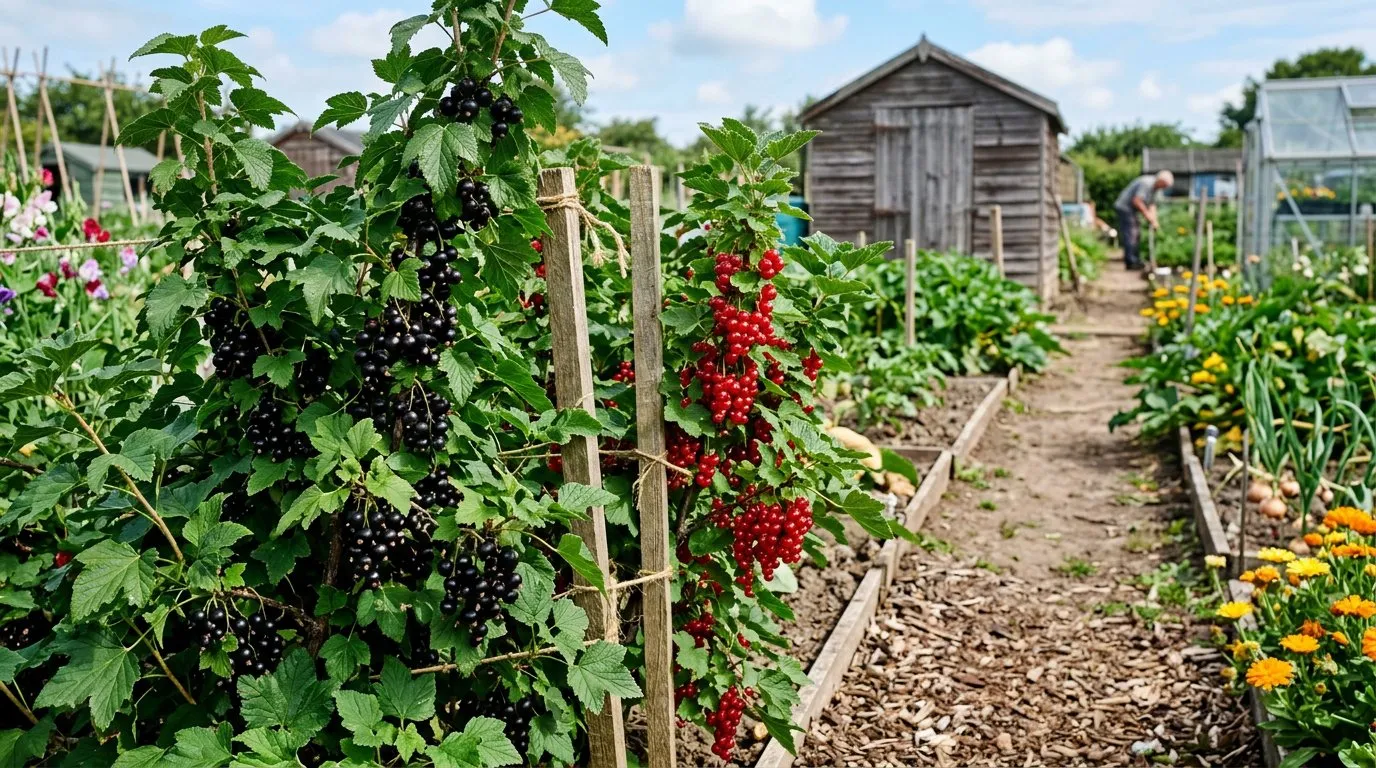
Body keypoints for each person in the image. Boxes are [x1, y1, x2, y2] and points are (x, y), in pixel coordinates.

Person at [1114, 170, 1174, 270]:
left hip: (1132, 209)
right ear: (1160, 181)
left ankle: (1135, 259)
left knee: (1137, 233)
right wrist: (1147, 215)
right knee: (1131, 233)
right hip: (1125, 207)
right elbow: (1137, 201)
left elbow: (1152, 205)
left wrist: (1154, 220)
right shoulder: (1146, 184)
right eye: (1164, 186)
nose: (1164, 188)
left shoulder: (1156, 188)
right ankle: (1131, 262)